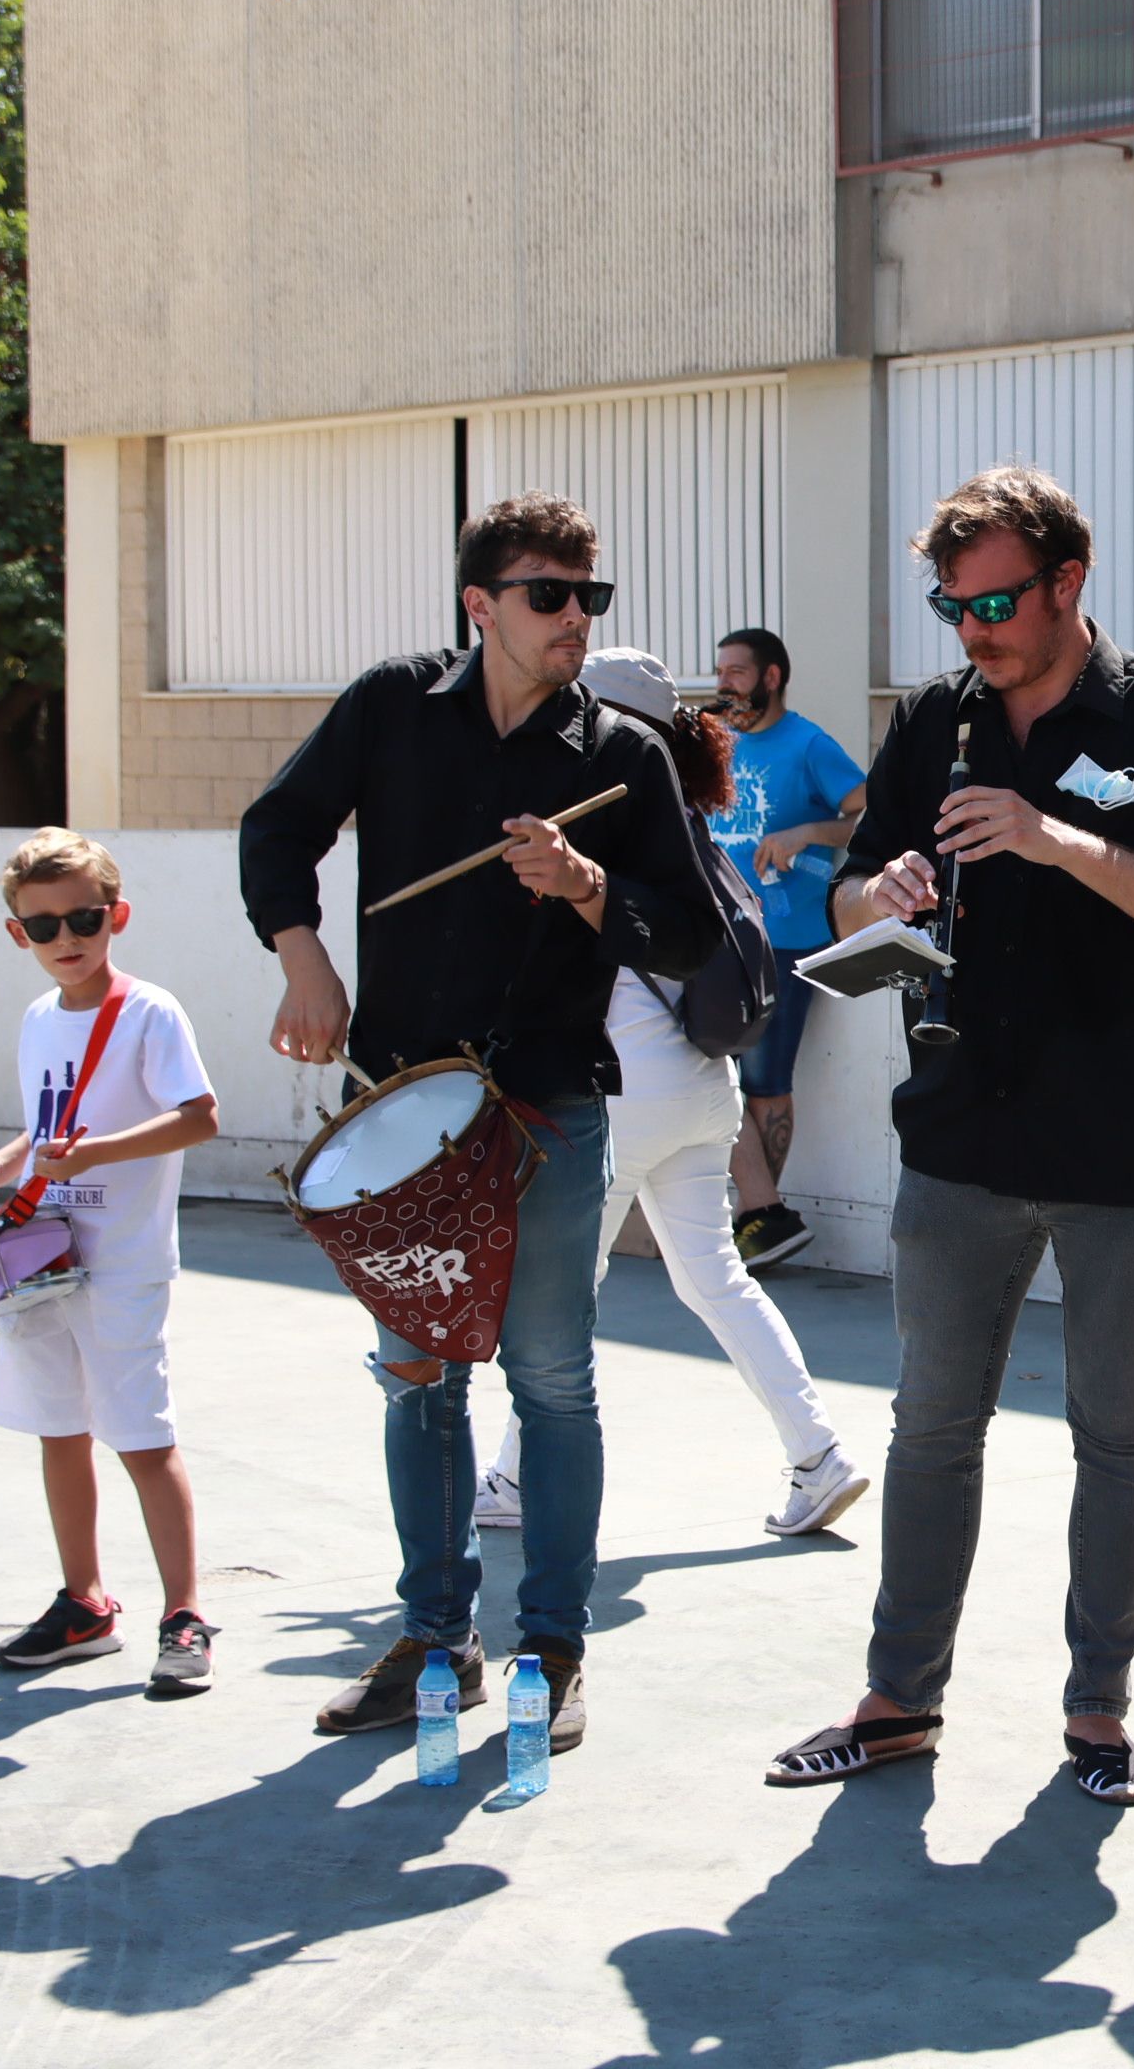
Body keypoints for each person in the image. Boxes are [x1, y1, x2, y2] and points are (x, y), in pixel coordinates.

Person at [762, 464, 1134, 1808]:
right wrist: (886, 889)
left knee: (1117, 1435)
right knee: (930, 1433)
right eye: (951, 604)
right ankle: (897, 1703)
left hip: (1129, 1146)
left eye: (995, 601)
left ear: (1067, 585)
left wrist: (1059, 844)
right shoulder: (938, 722)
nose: (973, 629)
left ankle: (1098, 1714)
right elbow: (850, 890)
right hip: (961, 1138)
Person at [239, 492, 725, 1755]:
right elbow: (276, 829)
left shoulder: (624, 754)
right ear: (480, 603)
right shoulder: (394, 705)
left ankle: (552, 1649)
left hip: (550, 1103)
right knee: (418, 1376)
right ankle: (433, 1635)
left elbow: (694, 934)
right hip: (399, 1097)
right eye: (548, 594)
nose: (574, 618)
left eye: (590, 597)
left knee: (551, 1380)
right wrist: (304, 960)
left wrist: (588, 885)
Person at [470, 649, 871, 1543]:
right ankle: (819, 1455)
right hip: (700, 1084)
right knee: (715, 1280)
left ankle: (515, 1479)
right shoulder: (684, 815)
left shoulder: (597, 826)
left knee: (560, 1292)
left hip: (615, 1092)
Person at [0, 829, 224, 1694]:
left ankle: (185, 1615)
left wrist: (94, 1159)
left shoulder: (149, 1012)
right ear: (15, 935)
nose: (65, 939)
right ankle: (85, 1603)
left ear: (116, 916)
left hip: (123, 1261)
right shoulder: (37, 1020)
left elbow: (200, 1115)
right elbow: (49, 1124)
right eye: (41, 926)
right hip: (42, 1260)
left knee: (140, 1433)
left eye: (84, 919)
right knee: (57, 1429)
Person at [709, 625, 869, 1271]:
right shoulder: (717, 743)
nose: (724, 684)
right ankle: (757, 1212)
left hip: (786, 938)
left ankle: (759, 1223)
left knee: (764, 1084)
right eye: (719, 672)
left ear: (772, 677)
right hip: (718, 936)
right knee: (712, 1074)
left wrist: (807, 832)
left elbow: (869, 812)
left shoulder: (807, 744)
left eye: (737, 672)